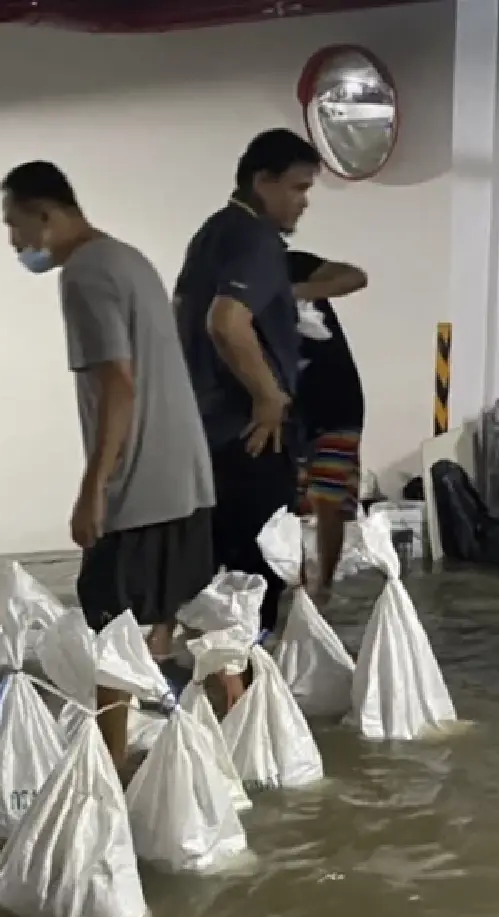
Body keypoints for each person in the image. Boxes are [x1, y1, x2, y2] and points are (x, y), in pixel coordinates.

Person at [0, 161, 217, 764]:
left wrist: (94, 487)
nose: (15, 243)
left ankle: (108, 781)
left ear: (46, 213)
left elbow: (118, 384)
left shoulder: (85, 275)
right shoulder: (129, 259)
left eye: (15, 226)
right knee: (193, 624)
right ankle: (242, 755)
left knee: (107, 636)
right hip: (186, 477)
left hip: (141, 486)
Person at [175, 128, 324, 637]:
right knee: (256, 582)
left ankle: (218, 697)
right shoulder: (254, 239)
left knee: (218, 579)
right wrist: (267, 395)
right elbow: (226, 320)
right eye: (298, 188)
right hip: (251, 438)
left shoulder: (213, 232)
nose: (303, 202)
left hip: (210, 434)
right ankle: (250, 702)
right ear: (263, 180)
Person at [286, 248, 370, 601]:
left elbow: (355, 276)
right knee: (288, 500)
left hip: (337, 401)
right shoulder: (232, 289)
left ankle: (324, 585)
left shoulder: (292, 265)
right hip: (287, 408)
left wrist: (296, 292)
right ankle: (298, 582)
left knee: (328, 497)